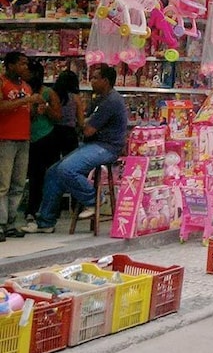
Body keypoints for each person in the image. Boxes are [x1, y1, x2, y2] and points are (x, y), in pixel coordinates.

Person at [22, 64, 127, 234]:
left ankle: (94, 199)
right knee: (52, 172)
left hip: (107, 147)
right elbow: (85, 123)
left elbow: (87, 129)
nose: (91, 81)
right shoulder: (99, 99)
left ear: (105, 81)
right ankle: (46, 221)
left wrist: (84, 125)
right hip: (93, 144)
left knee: (67, 169)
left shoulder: (111, 101)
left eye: (94, 78)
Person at [0, 52, 42, 240]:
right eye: (22, 64)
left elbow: (28, 115)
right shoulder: (2, 82)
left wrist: (36, 110)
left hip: (23, 138)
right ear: (10, 65)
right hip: (5, 138)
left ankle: (10, 221)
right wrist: (26, 100)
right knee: (3, 183)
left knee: (18, 184)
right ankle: (0, 223)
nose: (26, 67)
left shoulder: (26, 87)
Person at [25, 60, 62, 229]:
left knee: (47, 176)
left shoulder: (48, 93)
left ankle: (46, 212)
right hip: (28, 138)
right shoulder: (24, 92)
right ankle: (32, 210)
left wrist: (45, 108)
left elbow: (58, 116)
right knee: (33, 178)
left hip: (47, 138)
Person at [52, 70, 85, 157]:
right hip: (69, 133)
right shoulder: (75, 98)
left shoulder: (53, 96)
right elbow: (81, 121)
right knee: (69, 161)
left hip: (53, 131)